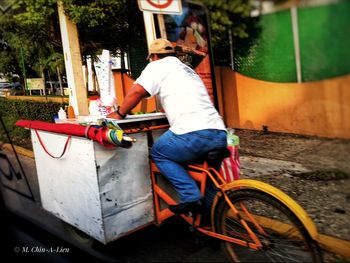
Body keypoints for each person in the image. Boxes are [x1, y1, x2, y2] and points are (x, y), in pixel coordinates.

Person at [107, 38, 227, 214]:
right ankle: (211, 226)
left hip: (192, 132)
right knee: (209, 184)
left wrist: (119, 114)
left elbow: (137, 91)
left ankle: (190, 196)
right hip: (219, 133)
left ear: (154, 56)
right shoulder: (187, 69)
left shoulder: (157, 66)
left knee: (159, 153)